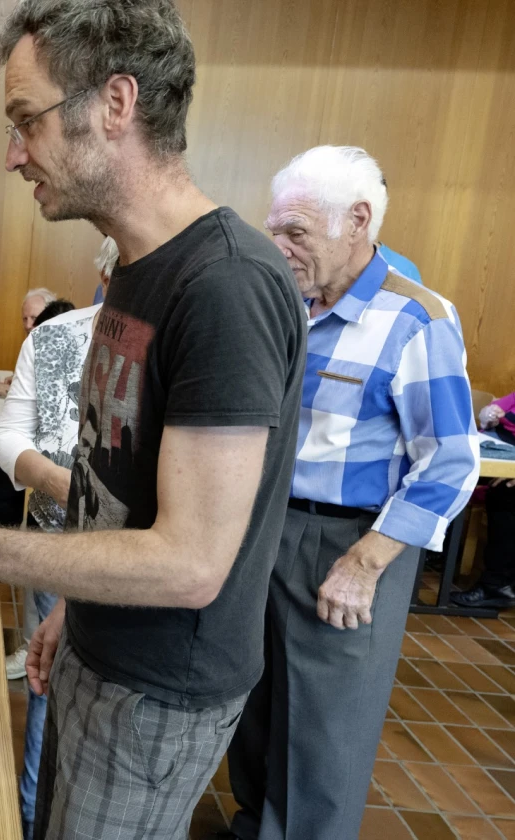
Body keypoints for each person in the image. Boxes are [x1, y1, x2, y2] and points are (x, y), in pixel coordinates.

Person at [0, 2, 307, 837]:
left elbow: (192, 565)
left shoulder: (225, 286)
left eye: (26, 121)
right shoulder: (135, 266)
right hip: (99, 641)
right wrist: (74, 611)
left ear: (115, 104)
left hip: (160, 687)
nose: (15, 154)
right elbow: (115, 485)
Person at [223, 145, 480, 840]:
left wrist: (364, 563)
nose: (278, 246)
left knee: (324, 732)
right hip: (266, 527)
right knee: (257, 704)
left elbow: (453, 463)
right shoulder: (291, 302)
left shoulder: (415, 320)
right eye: (274, 229)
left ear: (359, 221)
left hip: (349, 542)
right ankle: (254, 827)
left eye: (296, 232)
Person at [0, 278, 107, 837]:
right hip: (56, 536)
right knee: (48, 681)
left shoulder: (192, 332)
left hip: (143, 557)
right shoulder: (56, 335)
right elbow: (7, 437)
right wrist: (62, 485)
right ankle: (34, 815)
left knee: (106, 697)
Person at [450, 391, 515, 608]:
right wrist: (490, 415)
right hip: (499, 449)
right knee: (447, 471)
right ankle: (436, 549)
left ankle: (497, 586)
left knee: (506, 493)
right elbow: (494, 411)